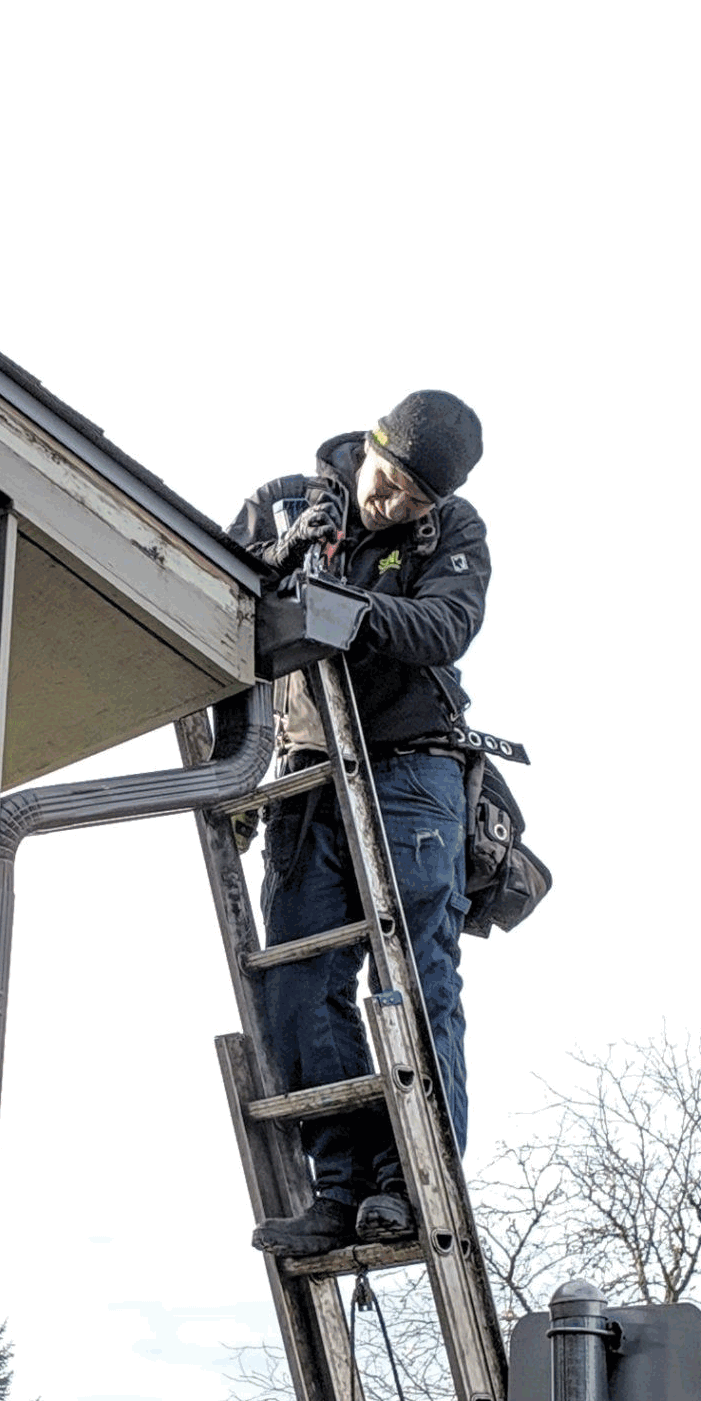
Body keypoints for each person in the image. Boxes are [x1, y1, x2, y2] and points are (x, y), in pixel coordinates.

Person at [230, 389, 488, 1256]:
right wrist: (231, 773)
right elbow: (218, 617)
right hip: (307, 768)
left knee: (415, 975)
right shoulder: (282, 506)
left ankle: (411, 1182)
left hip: (412, 766)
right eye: (389, 484)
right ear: (366, 449)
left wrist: (345, 612)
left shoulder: (452, 536)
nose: (396, 505)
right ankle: (339, 1189)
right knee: (302, 984)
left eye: (418, 500)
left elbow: (447, 624)